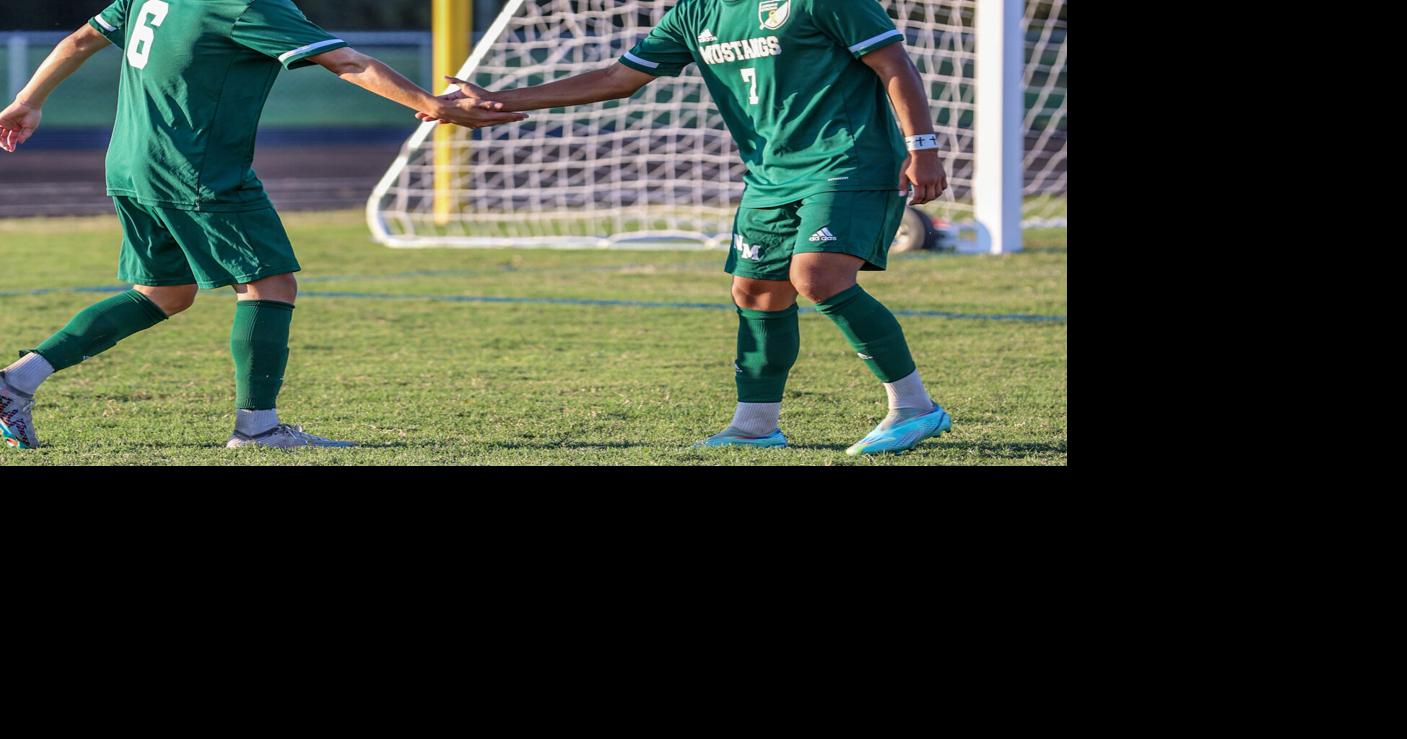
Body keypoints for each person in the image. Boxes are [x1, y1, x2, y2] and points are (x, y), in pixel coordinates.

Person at [422, 0, 952, 455]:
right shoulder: (694, 12)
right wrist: (497, 101)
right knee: (757, 292)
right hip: (769, 176)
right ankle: (755, 428)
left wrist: (921, 148)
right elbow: (617, 79)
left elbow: (895, 64)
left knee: (817, 278)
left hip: (847, 161)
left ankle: (913, 407)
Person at [0, 0, 523, 450]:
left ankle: (15, 383)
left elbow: (80, 38)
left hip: (131, 162)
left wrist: (27, 101)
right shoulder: (247, 4)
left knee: (165, 292)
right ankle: (257, 428)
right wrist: (434, 106)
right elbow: (346, 60)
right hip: (198, 167)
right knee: (269, 283)